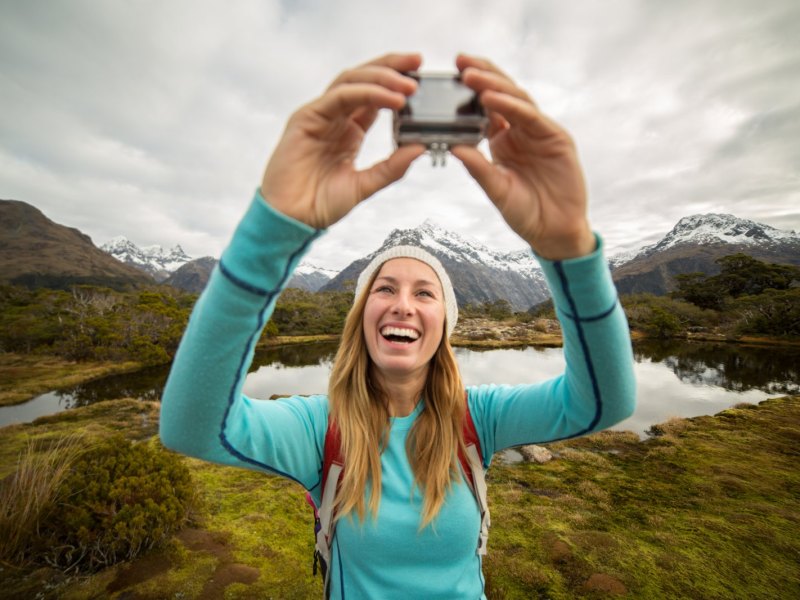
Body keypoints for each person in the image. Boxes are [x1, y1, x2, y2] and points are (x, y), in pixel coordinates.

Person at [159, 53, 636, 599]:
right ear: (361, 317)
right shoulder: (321, 429)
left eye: (424, 292)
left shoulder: (479, 418)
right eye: (384, 289)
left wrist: (569, 251)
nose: (403, 305)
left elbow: (602, 402)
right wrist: (274, 229)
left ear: (444, 326)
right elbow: (191, 427)